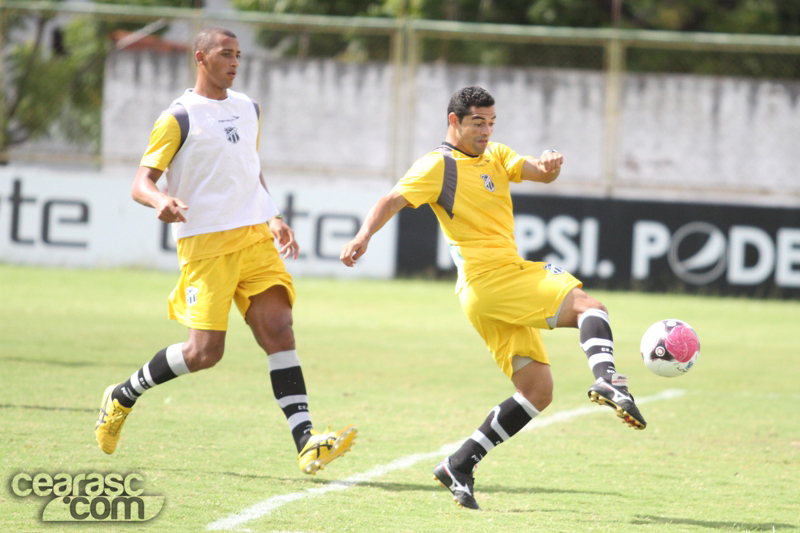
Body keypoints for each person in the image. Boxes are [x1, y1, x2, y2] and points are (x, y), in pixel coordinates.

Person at [340, 86, 645, 510]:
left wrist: (550, 166)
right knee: (590, 307)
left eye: (491, 122)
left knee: (537, 390)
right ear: (454, 122)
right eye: (477, 122)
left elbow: (538, 172)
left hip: (485, 292)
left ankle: (459, 465)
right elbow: (392, 198)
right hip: (493, 278)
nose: (486, 130)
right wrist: (362, 235)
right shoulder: (437, 165)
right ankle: (609, 378)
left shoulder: (496, 155)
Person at [95, 27, 356, 475]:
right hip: (206, 247)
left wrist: (273, 216)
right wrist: (161, 201)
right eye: (226, 54)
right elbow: (142, 181)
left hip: (253, 237)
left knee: (279, 328)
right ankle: (123, 394)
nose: (235, 62)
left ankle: (306, 441)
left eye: (238, 55)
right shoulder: (179, 117)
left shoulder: (249, 108)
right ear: (201, 58)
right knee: (204, 354)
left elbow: (249, 171)